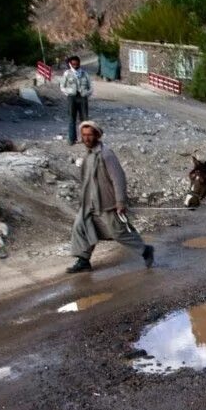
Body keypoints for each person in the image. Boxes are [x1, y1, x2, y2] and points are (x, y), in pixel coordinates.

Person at [67, 121, 153, 273]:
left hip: (107, 204)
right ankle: (83, 260)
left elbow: (118, 178)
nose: (86, 138)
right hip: (89, 204)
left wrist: (120, 201)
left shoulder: (106, 154)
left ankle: (145, 250)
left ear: (97, 136)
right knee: (81, 227)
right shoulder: (88, 156)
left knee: (118, 233)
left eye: (90, 135)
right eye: (84, 135)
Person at [61, 56, 92, 143]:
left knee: (84, 119)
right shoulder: (67, 73)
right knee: (72, 119)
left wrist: (87, 93)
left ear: (79, 63)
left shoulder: (85, 74)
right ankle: (72, 139)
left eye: (77, 64)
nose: (75, 66)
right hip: (72, 98)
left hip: (82, 98)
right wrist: (68, 93)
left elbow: (91, 87)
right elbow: (62, 86)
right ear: (70, 64)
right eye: (73, 64)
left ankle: (84, 139)